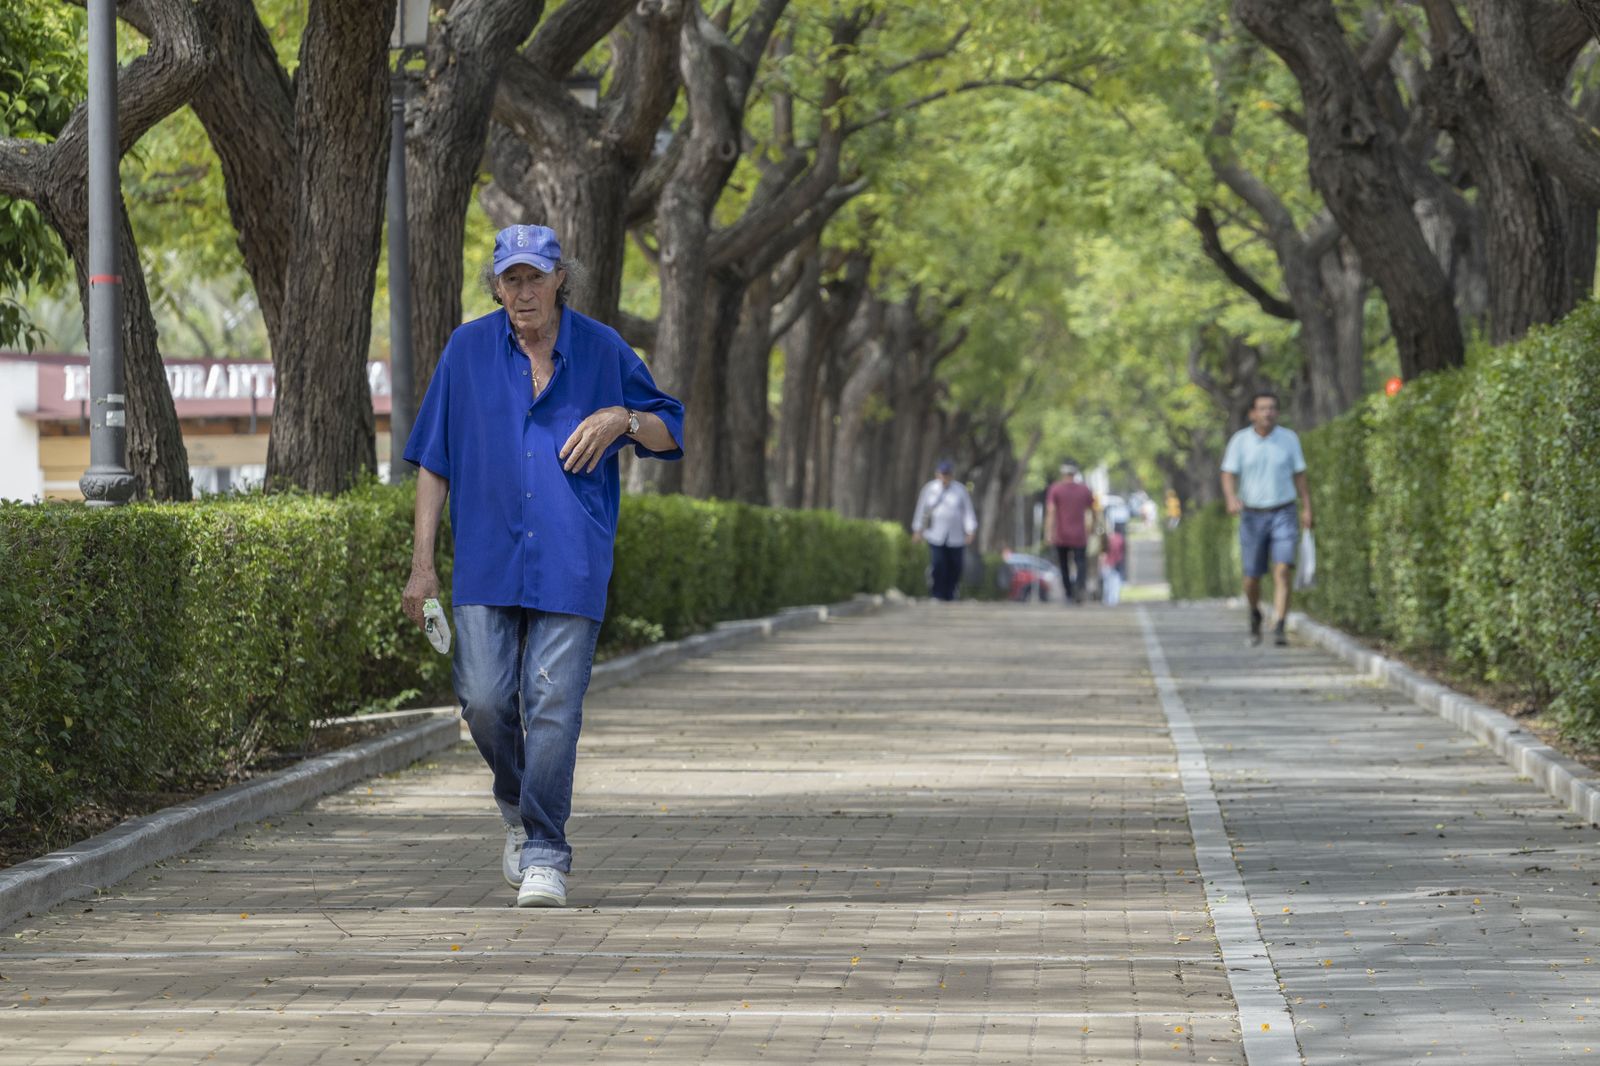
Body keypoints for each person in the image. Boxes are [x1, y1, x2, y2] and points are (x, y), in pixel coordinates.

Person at [401, 224, 685, 908]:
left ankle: (546, 852)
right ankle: (518, 808)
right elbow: (433, 465)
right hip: (485, 560)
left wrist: (622, 417)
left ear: (561, 278)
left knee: (553, 704)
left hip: (570, 560)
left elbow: (669, 430)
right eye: (511, 279)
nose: (523, 291)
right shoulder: (466, 351)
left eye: (536, 276)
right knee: (486, 700)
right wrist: (422, 566)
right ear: (496, 285)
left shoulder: (603, 349)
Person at [1220, 391, 1313, 647]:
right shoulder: (1240, 441)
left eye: (1272, 408)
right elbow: (1228, 473)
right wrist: (1231, 498)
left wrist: (1307, 507)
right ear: (1252, 413)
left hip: (1284, 511)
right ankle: (1255, 613)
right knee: (1252, 577)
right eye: (1262, 408)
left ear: (1277, 412)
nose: (1267, 413)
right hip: (1252, 515)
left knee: (1283, 568)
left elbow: (1300, 475)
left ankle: (1280, 624)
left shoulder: (1289, 439)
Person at [911, 459, 977, 601]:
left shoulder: (960, 490)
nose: (944, 477)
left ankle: (951, 593)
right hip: (936, 534)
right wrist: (918, 529)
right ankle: (937, 594)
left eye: (947, 474)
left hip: (956, 536)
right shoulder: (929, 489)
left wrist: (970, 529)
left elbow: (968, 512)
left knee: (955, 566)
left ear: (951, 475)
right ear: (937, 474)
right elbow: (921, 510)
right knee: (938, 564)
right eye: (942, 474)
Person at [1044, 463, 1096, 604]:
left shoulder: (1056, 489)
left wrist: (1048, 532)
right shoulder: (1084, 490)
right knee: (1081, 563)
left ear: (1063, 474)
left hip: (1061, 535)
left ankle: (1069, 593)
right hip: (1080, 535)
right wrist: (1092, 528)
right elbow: (1093, 510)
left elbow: (1051, 512)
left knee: (1064, 565)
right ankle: (1079, 587)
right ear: (1075, 474)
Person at [1100, 527, 1126, 606]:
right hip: (1113, 564)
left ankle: (1109, 598)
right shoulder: (1118, 539)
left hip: (1108, 564)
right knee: (1114, 581)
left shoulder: (1111, 539)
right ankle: (1112, 598)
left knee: (1108, 582)